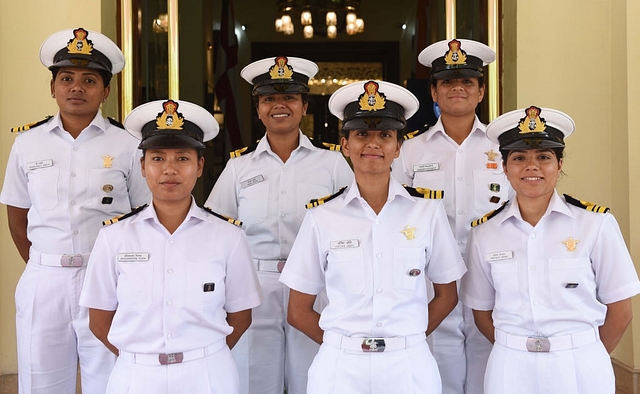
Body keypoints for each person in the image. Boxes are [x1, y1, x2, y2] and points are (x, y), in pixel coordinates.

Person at [280, 80, 467, 394]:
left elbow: (447, 295)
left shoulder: (427, 212)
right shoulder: (322, 217)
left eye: (385, 135)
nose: (373, 144)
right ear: (345, 145)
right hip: (340, 369)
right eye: (361, 134)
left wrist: (410, 337)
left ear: (398, 147)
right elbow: (298, 310)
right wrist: (342, 344)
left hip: (408, 365)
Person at [0, 27, 150, 393]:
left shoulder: (129, 145)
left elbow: (144, 215)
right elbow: (17, 215)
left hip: (107, 279)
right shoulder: (27, 144)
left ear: (106, 91)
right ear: (53, 88)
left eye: (89, 80)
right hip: (45, 279)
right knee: (41, 381)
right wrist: (44, 261)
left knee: (111, 378)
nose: (77, 87)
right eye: (66, 78)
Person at [79, 99, 263, 393]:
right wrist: (141, 358)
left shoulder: (227, 236)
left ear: (200, 166)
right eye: (157, 158)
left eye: (182, 158)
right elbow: (99, 321)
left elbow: (241, 316)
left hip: (207, 374)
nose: (169, 169)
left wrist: (203, 355)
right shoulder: (115, 237)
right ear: (142, 166)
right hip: (136, 376)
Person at [460, 106, 640, 394]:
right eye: (519, 158)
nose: (532, 167)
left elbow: (621, 310)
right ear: (504, 168)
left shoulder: (595, 224)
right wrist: (517, 348)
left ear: (559, 164)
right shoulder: (485, 233)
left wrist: (584, 352)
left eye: (544, 157)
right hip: (511, 367)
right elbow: (481, 311)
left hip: (579, 364)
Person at [205, 56, 353, 394]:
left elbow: (353, 224)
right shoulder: (238, 169)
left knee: (314, 379)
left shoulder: (332, 163)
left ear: (303, 106)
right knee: (255, 379)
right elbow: (215, 234)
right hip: (256, 286)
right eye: (269, 99)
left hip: (316, 288)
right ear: (258, 109)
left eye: (289, 98)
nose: (279, 106)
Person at [392, 38, 509, 394]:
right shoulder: (410, 149)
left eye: (467, 81)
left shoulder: (505, 150)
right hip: (431, 281)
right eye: (446, 81)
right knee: (436, 375)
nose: (457, 87)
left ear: (481, 91)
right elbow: (394, 214)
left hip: (492, 278)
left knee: (490, 372)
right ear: (433, 91)